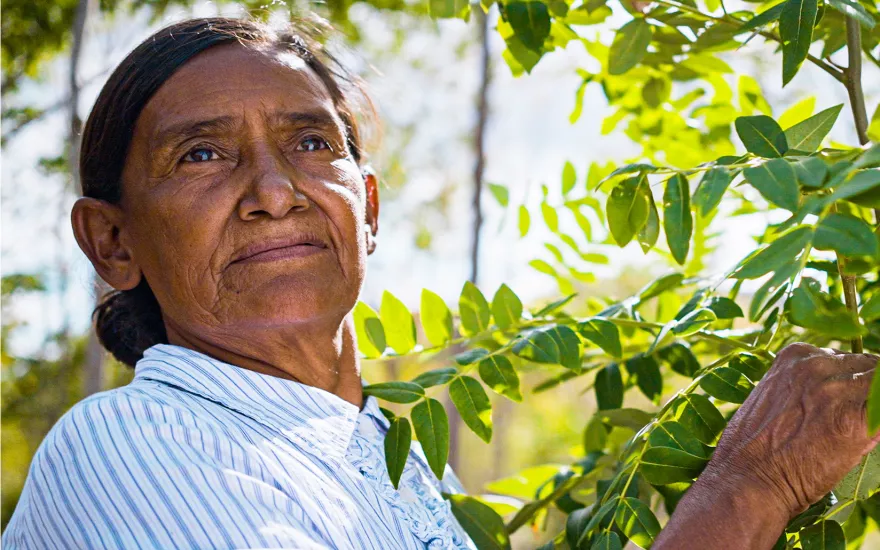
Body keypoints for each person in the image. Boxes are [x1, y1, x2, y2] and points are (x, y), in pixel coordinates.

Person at [1, 16, 877, 550]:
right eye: (203, 154)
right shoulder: (131, 447)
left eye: (311, 144)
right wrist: (748, 488)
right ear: (112, 242)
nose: (275, 193)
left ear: (366, 207)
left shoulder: (399, 461)